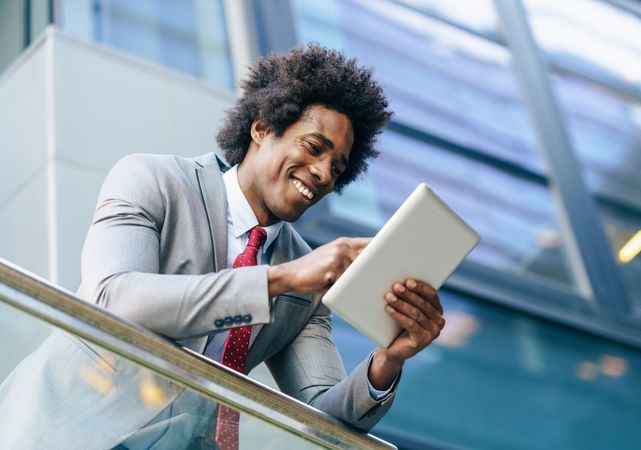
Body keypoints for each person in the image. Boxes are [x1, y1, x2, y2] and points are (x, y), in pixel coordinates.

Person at [0, 44, 445, 449]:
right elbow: (115, 299)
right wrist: (280, 279)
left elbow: (319, 416)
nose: (325, 174)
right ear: (261, 128)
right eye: (314, 148)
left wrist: (388, 360)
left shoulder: (307, 287)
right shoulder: (153, 180)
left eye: (338, 167)